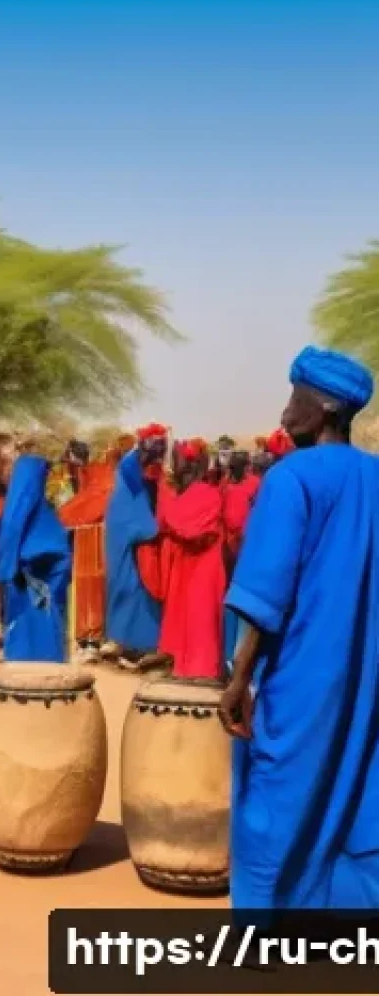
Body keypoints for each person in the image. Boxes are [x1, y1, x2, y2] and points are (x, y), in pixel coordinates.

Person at [221, 345, 379, 910]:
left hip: (300, 674)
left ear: (329, 407)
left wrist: (239, 678)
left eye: (297, 400)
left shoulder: (293, 479)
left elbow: (266, 594)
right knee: (354, 788)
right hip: (365, 673)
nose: (286, 415)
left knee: (276, 799)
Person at [157, 438, 225, 679]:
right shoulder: (183, 494)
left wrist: (169, 518)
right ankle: (184, 665)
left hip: (203, 564)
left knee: (200, 613)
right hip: (186, 562)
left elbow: (189, 528)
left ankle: (202, 669)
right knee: (184, 612)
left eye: (179, 458)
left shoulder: (208, 494)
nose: (174, 463)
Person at [0, 455, 71, 662]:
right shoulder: (40, 508)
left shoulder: (19, 502)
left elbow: (10, 533)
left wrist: (6, 569)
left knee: (30, 617)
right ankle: (46, 658)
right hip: (42, 567)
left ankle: (26, 658)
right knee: (45, 616)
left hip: (32, 567)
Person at [102, 424, 167, 665]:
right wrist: (151, 525)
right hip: (127, 526)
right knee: (125, 582)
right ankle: (121, 639)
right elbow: (132, 498)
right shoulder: (130, 466)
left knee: (142, 585)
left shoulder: (149, 465)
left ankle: (142, 641)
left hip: (140, 526)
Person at [58, 444, 115, 662]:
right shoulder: (90, 480)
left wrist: (61, 516)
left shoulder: (97, 481)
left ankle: (90, 640)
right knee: (88, 589)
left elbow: (79, 509)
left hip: (92, 543)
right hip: (87, 542)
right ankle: (88, 639)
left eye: (70, 462)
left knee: (90, 589)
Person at [221, 450, 259, 667]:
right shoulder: (236, 485)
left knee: (236, 600)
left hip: (238, 548)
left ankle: (233, 657)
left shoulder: (244, 486)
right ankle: (233, 657)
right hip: (237, 549)